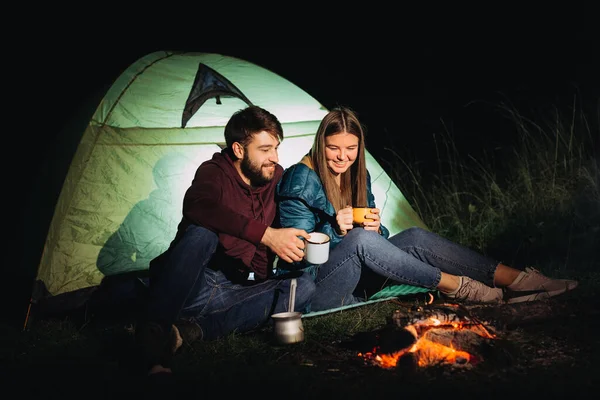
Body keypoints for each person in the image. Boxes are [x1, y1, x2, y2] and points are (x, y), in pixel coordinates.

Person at [275, 106, 578, 312]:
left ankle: (518, 280)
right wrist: (335, 229)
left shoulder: (357, 174)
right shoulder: (300, 178)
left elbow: (377, 238)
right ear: (320, 144)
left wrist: (374, 228)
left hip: (355, 277)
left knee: (415, 237)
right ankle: (458, 287)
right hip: (317, 292)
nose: (343, 157)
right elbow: (298, 257)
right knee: (359, 240)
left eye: (351, 149)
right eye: (333, 148)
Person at [135, 105, 316, 375]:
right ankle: (154, 336)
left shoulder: (275, 177)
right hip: (194, 282)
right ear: (239, 149)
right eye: (265, 150)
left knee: (302, 287)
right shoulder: (214, 172)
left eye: (276, 148)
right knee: (202, 233)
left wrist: (297, 241)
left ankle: (190, 332)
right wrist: (266, 235)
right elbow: (199, 206)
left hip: (237, 287)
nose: (274, 158)